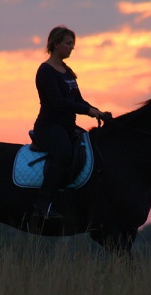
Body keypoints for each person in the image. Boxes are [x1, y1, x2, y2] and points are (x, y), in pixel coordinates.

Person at [32, 25, 108, 219]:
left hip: (67, 127)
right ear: (56, 44)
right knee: (64, 154)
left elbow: (78, 101)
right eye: (68, 43)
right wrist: (88, 110)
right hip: (49, 127)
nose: (72, 47)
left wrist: (97, 112)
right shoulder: (45, 71)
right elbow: (58, 102)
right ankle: (42, 206)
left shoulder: (67, 72)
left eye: (72, 44)